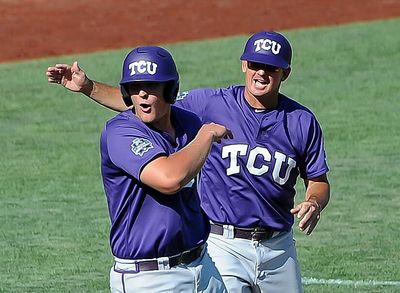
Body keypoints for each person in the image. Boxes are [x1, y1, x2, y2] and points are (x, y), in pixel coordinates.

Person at [47, 31, 330, 293]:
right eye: (255, 64)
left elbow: (318, 178)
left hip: (270, 248)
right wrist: (89, 87)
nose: (261, 72)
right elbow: (147, 104)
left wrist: (314, 202)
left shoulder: (300, 121)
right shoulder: (210, 106)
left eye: (271, 67)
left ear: (285, 73)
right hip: (220, 246)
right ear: (244, 65)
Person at [49, 46, 231, 292]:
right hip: (149, 278)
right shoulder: (120, 133)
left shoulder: (188, 121)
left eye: (152, 86)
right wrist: (207, 133)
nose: (142, 94)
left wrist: (88, 86)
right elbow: (170, 179)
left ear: (171, 91)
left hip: (203, 267)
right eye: (134, 88)